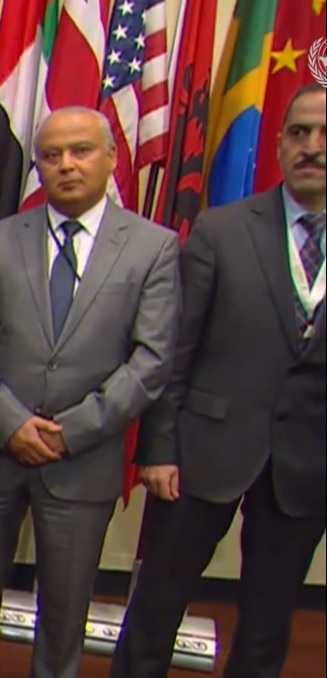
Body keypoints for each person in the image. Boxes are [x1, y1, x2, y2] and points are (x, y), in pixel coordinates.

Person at [0, 107, 179, 678]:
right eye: (51, 156)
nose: (66, 165)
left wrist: (69, 432)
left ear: (111, 157)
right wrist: (10, 423)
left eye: (81, 151)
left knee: (65, 609)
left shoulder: (153, 247)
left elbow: (150, 361)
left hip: (83, 458)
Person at [112, 84, 326, 678]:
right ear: (279, 145)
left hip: (307, 464)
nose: (312, 146)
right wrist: (159, 448)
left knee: (267, 623)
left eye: (324, 134)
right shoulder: (222, 230)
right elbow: (175, 350)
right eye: (299, 132)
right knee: (157, 608)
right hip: (203, 453)